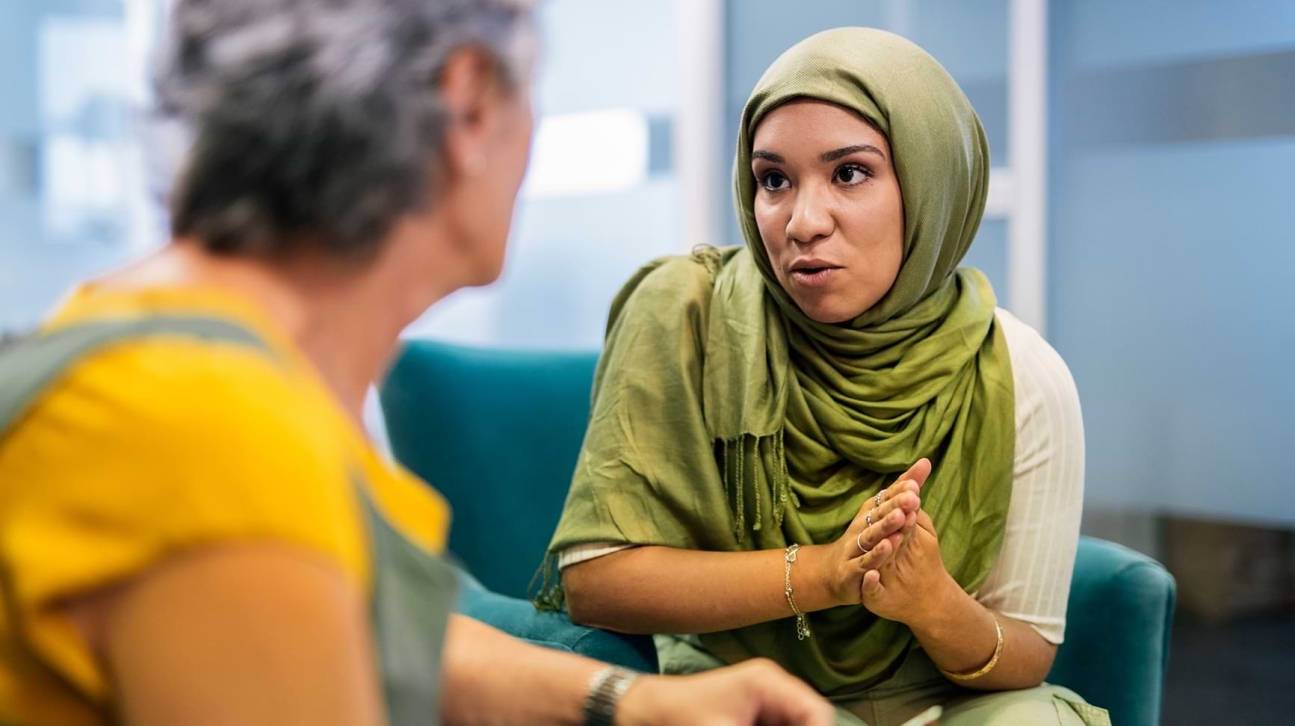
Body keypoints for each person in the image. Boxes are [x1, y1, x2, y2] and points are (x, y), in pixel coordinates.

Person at [0, 1, 837, 724]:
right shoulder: (215, 434)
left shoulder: (171, 355)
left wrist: (631, 701)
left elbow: (371, 636)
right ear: (467, 105)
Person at [545, 28, 1108, 726]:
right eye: (773, 181)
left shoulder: (1018, 372)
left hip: (945, 701)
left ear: (932, 182)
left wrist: (931, 600)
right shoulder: (685, 314)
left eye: (849, 174)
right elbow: (596, 580)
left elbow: (1026, 656)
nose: (803, 223)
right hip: (735, 689)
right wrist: (825, 572)